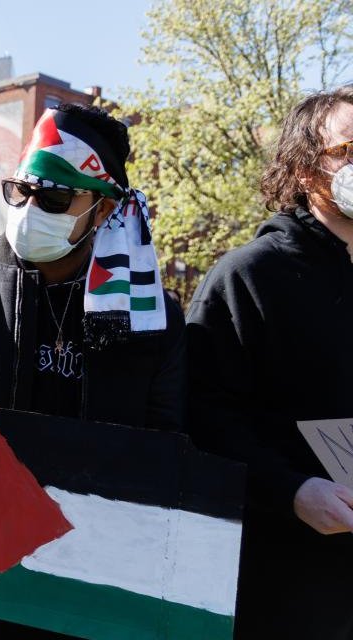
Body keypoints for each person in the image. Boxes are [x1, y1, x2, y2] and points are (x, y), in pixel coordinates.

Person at [0, 103, 186, 639]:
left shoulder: (149, 315)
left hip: (86, 583)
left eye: (55, 197)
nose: (29, 208)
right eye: (20, 190)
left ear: (103, 208)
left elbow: (168, 442)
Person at [186, 86, 353, 638]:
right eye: (350, 150)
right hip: (285, 584)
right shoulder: (248, 277)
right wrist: (292, 492)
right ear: (305, 171)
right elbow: (202, 419)